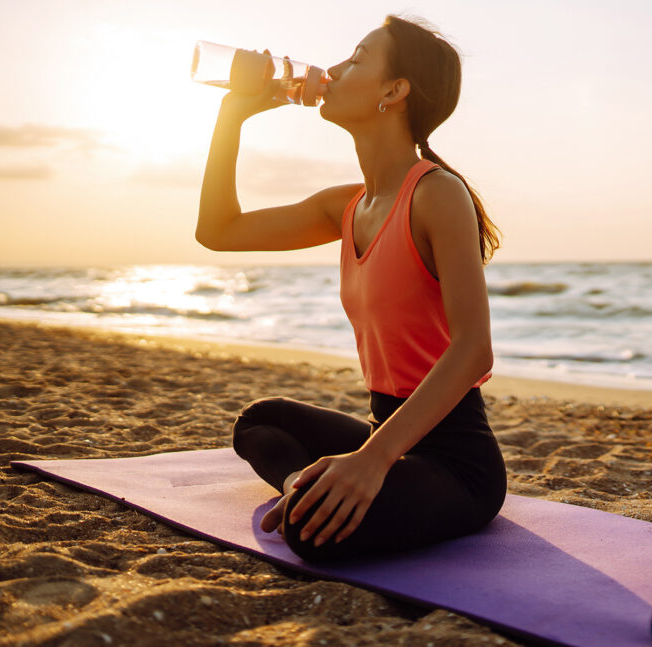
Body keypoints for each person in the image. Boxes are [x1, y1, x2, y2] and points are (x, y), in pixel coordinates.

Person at [195, 14, 506, 562]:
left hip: (455, 460)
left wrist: (373, 459)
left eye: (357, 59)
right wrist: (232, 115)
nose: (333, 70)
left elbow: (473, 350)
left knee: (309, 533)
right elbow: (218, 232)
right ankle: (302, 486)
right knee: (259, 422)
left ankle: (312, 493)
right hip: (381, 429)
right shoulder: (347, 205)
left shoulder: (437, 195)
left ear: (395, 90)